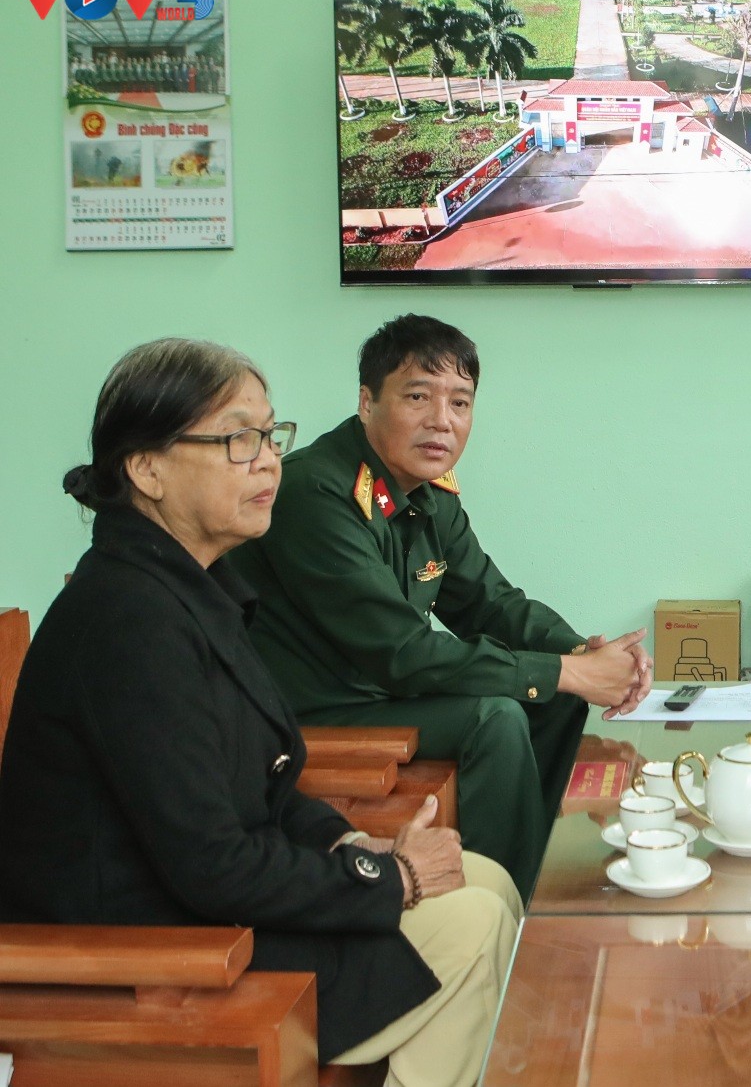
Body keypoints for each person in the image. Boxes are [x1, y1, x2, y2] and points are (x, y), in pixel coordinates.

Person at [0, 340, 522, 1087]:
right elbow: (211, 865)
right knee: (472, 923)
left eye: (271, 436)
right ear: (147, 469)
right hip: (155, 955)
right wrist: (388, 879)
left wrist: (350, 841)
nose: (270, 462)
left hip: (212, 912)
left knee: (485, 882)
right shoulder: (127, 621)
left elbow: (266, 789)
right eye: (237, 440)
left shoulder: (191, 589)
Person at [228, 315, 650, 900]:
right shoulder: (315, 492)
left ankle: (536, 872)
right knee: (494, 717)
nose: (441, 421)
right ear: (367, 402)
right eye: (418, 397)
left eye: (460, 402)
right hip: (314, 708)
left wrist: (586, 654)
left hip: (381, 692)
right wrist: (567, 671)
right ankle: (498, 905)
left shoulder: (429, 493)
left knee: (554, 696)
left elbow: (490, 603)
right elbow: (401, 652)